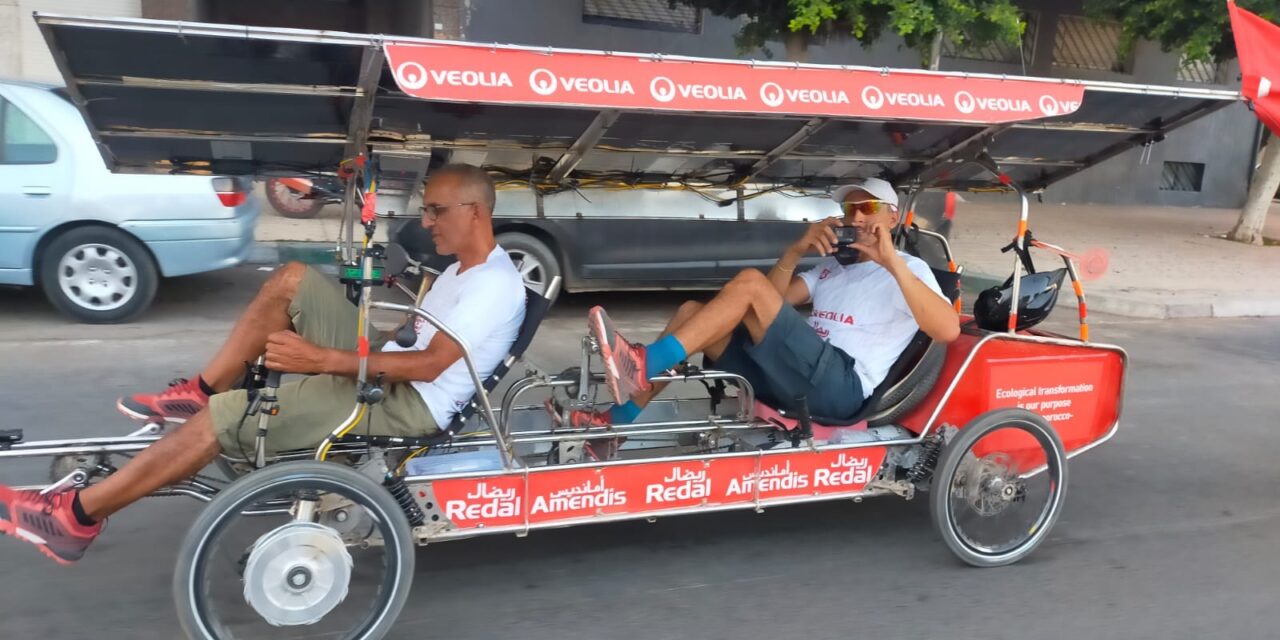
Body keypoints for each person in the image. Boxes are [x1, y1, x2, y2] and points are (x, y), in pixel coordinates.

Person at [0, 163, 527, 565]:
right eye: (427, 210)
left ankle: (75, 518)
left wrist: (321, 358)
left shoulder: (491, 284)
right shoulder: (460, 271)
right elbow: (409, 338)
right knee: (294, 278)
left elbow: (432, 365)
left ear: (474, 213)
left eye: (436, 211)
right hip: (392, 370)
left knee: (226, 418)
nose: (426, 221)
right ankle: (203, 389)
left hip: (410, 403)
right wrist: (353, 339)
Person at [577, 177, 959, 428]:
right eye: (850, 210)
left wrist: (890, 261)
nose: (856, 217)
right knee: (691, 311)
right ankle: (618, 421)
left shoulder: (910, 268)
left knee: (749, 283)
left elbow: (947, 329)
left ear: (892, 218)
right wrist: (795, 251)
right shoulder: (832, 268)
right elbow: (765, 304)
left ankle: (645, 364)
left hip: (841, 386)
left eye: (869, 209)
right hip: (798, 373)